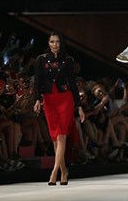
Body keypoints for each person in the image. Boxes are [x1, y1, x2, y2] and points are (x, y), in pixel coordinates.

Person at [33, 31, 85, 186]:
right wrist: (37, 100)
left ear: (61, 43)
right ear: (48, 43)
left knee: (61, 136)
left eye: (57, 42)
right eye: (52, 42)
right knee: (55, 139)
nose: (54, 44)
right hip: (49, 100)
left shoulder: (68, 60)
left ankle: (54, 172)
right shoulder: (41, 59)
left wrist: (79, 106)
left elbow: (73, 83)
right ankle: (64, 171)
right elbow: (37, 82)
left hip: (65, 99)